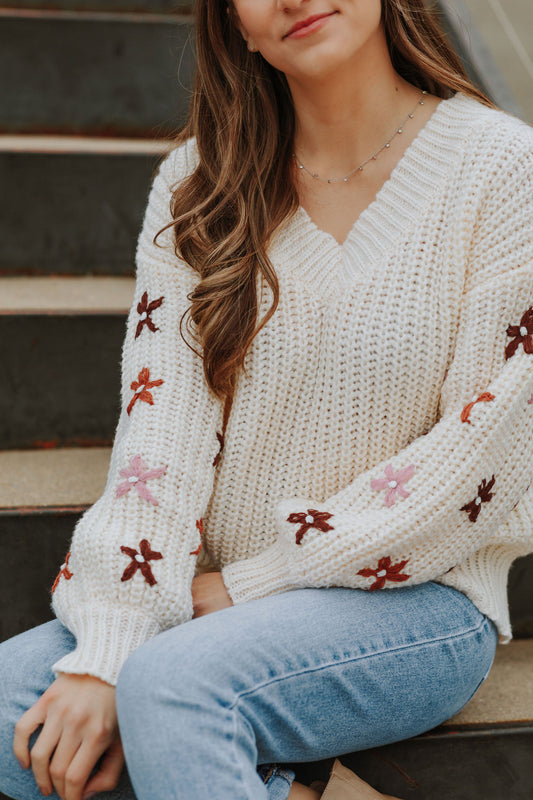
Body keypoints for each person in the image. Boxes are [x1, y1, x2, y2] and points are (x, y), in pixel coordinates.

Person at [1, 0, 532, 798]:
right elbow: (159, 438)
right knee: (17, 702)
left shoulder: (503, 168)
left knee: (175, 689)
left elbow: (474, 458)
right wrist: (112, 641)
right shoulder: (196, 180)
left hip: (418, 597)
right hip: (210, 597)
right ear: (231, 23)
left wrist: (257, 584)